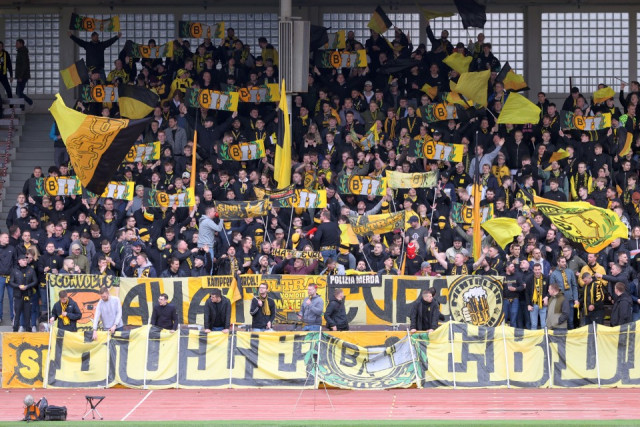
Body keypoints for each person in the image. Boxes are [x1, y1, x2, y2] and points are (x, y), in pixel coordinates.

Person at [9, 254, 37, 332]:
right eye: (23, 260)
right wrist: (18, 286)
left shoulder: (31, 270)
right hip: (18, 295)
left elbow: (35, 281)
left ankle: (28, 330)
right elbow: (11, 282)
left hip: (28, 294)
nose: (25, 261)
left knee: (28, 314)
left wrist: (27, 286)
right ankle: (15, 330)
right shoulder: (14, 270)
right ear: (19, 261)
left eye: (26, 260)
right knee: (17, 314)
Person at [14, 39, 32, 109]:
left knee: (19, 92)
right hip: (22, 75)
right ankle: (22, 107)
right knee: (18, 92)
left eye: (17, 43)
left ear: (21, 44)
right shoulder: (21, 51)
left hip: (22, 76)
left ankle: (29, 102)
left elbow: (24, 65)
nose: (16, 45)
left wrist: (20, 76)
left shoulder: (23, 52)